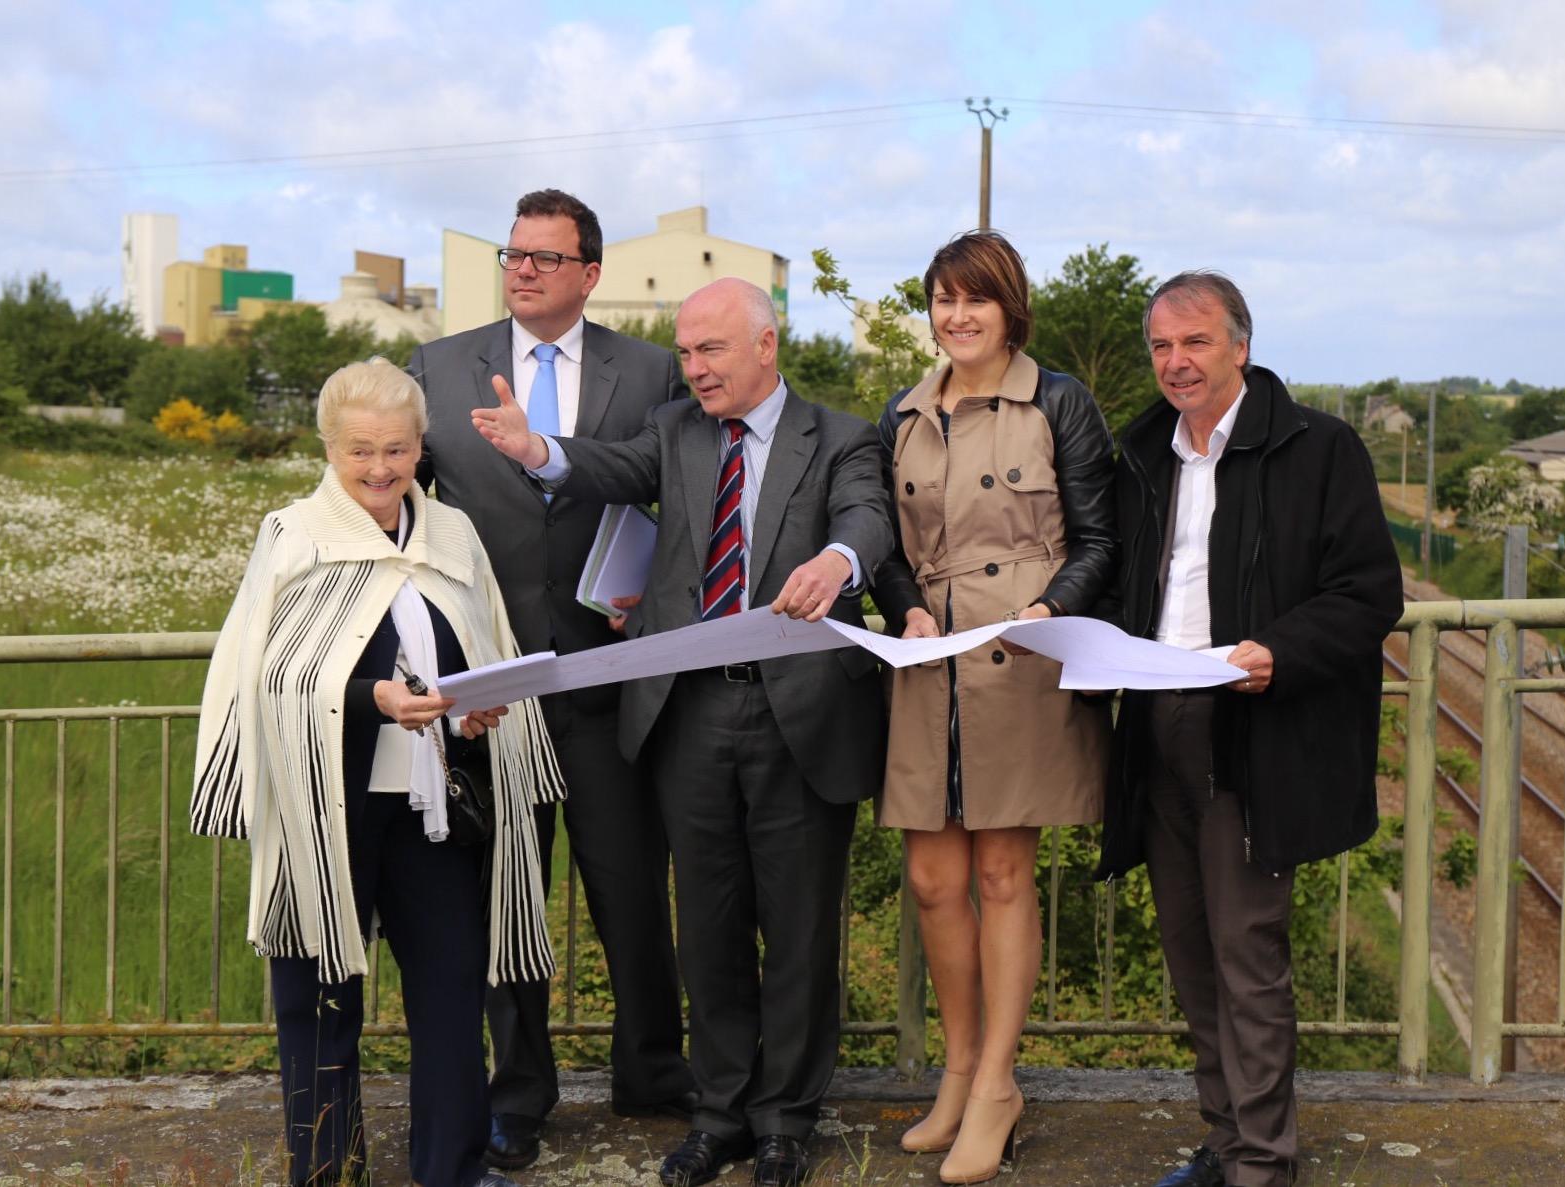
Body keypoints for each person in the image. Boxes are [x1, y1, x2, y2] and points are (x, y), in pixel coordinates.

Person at [472, 277, 890, 1187]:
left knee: (798, 926)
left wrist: (837, 557)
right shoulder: (675, 432)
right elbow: (604, 469)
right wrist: (535, 447)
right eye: (686, 352)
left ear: (766, 345)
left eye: (711, 351)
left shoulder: (844, 436)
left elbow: (869, 516)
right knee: (706, 925)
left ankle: (785, 1119)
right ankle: (721, 1112)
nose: (692, 368)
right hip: (689, 714)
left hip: (800, 717)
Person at [189, 358, 565, 1187]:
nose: (380, 469)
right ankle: (326, 1169)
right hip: (326, 807)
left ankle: (453, 1169)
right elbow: (268, 676)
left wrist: (474, 709)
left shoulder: (453, 535)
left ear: (419, 444)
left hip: (435, 809)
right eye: (360, 450)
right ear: (328, 446)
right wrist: (372, 698)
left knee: (451, 988)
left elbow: (483, 645)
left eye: (396, 449)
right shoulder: (294, 534)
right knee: (319, 996)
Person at [409, 187, 695, 1169]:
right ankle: (518, 1097)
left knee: (629, 890)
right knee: (508, 902)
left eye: (543, 256)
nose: (521, 268)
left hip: (609, 681)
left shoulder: (653, 370)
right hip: (490, 694)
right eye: (512, 253)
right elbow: (406, 520)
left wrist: (650, 595)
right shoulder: (439, 369)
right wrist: (440, 664)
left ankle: (653, 1073)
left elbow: (680, 498)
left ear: (589, 271)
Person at [1096, 272, 1400, 1187]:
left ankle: (1263, 1161)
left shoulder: (1319, 448)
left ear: (1239, 345)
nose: (1174, 363)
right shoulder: (1142, 453)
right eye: (1160, 346)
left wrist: (1279, 651)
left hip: (1250, 723)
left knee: (1247, 954)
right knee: (1189, 950)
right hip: (1154, 716)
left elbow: (1367, 593)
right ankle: (1225, 1141)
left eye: (1193, 343)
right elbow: (1122, 581)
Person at [870, 230, 1117, 1184]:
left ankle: (999, 1085)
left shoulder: (1059, 401)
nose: (956, 316)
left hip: (1020, 659)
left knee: (1005, 875)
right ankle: (959, 1067)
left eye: (974, 299)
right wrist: (903, 603)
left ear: (1009, 306)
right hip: (927, 662)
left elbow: (1100, 537)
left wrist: (1051, 607)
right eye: (941, 299)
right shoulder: (900, 411)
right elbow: (887, 544)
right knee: (934, 879)